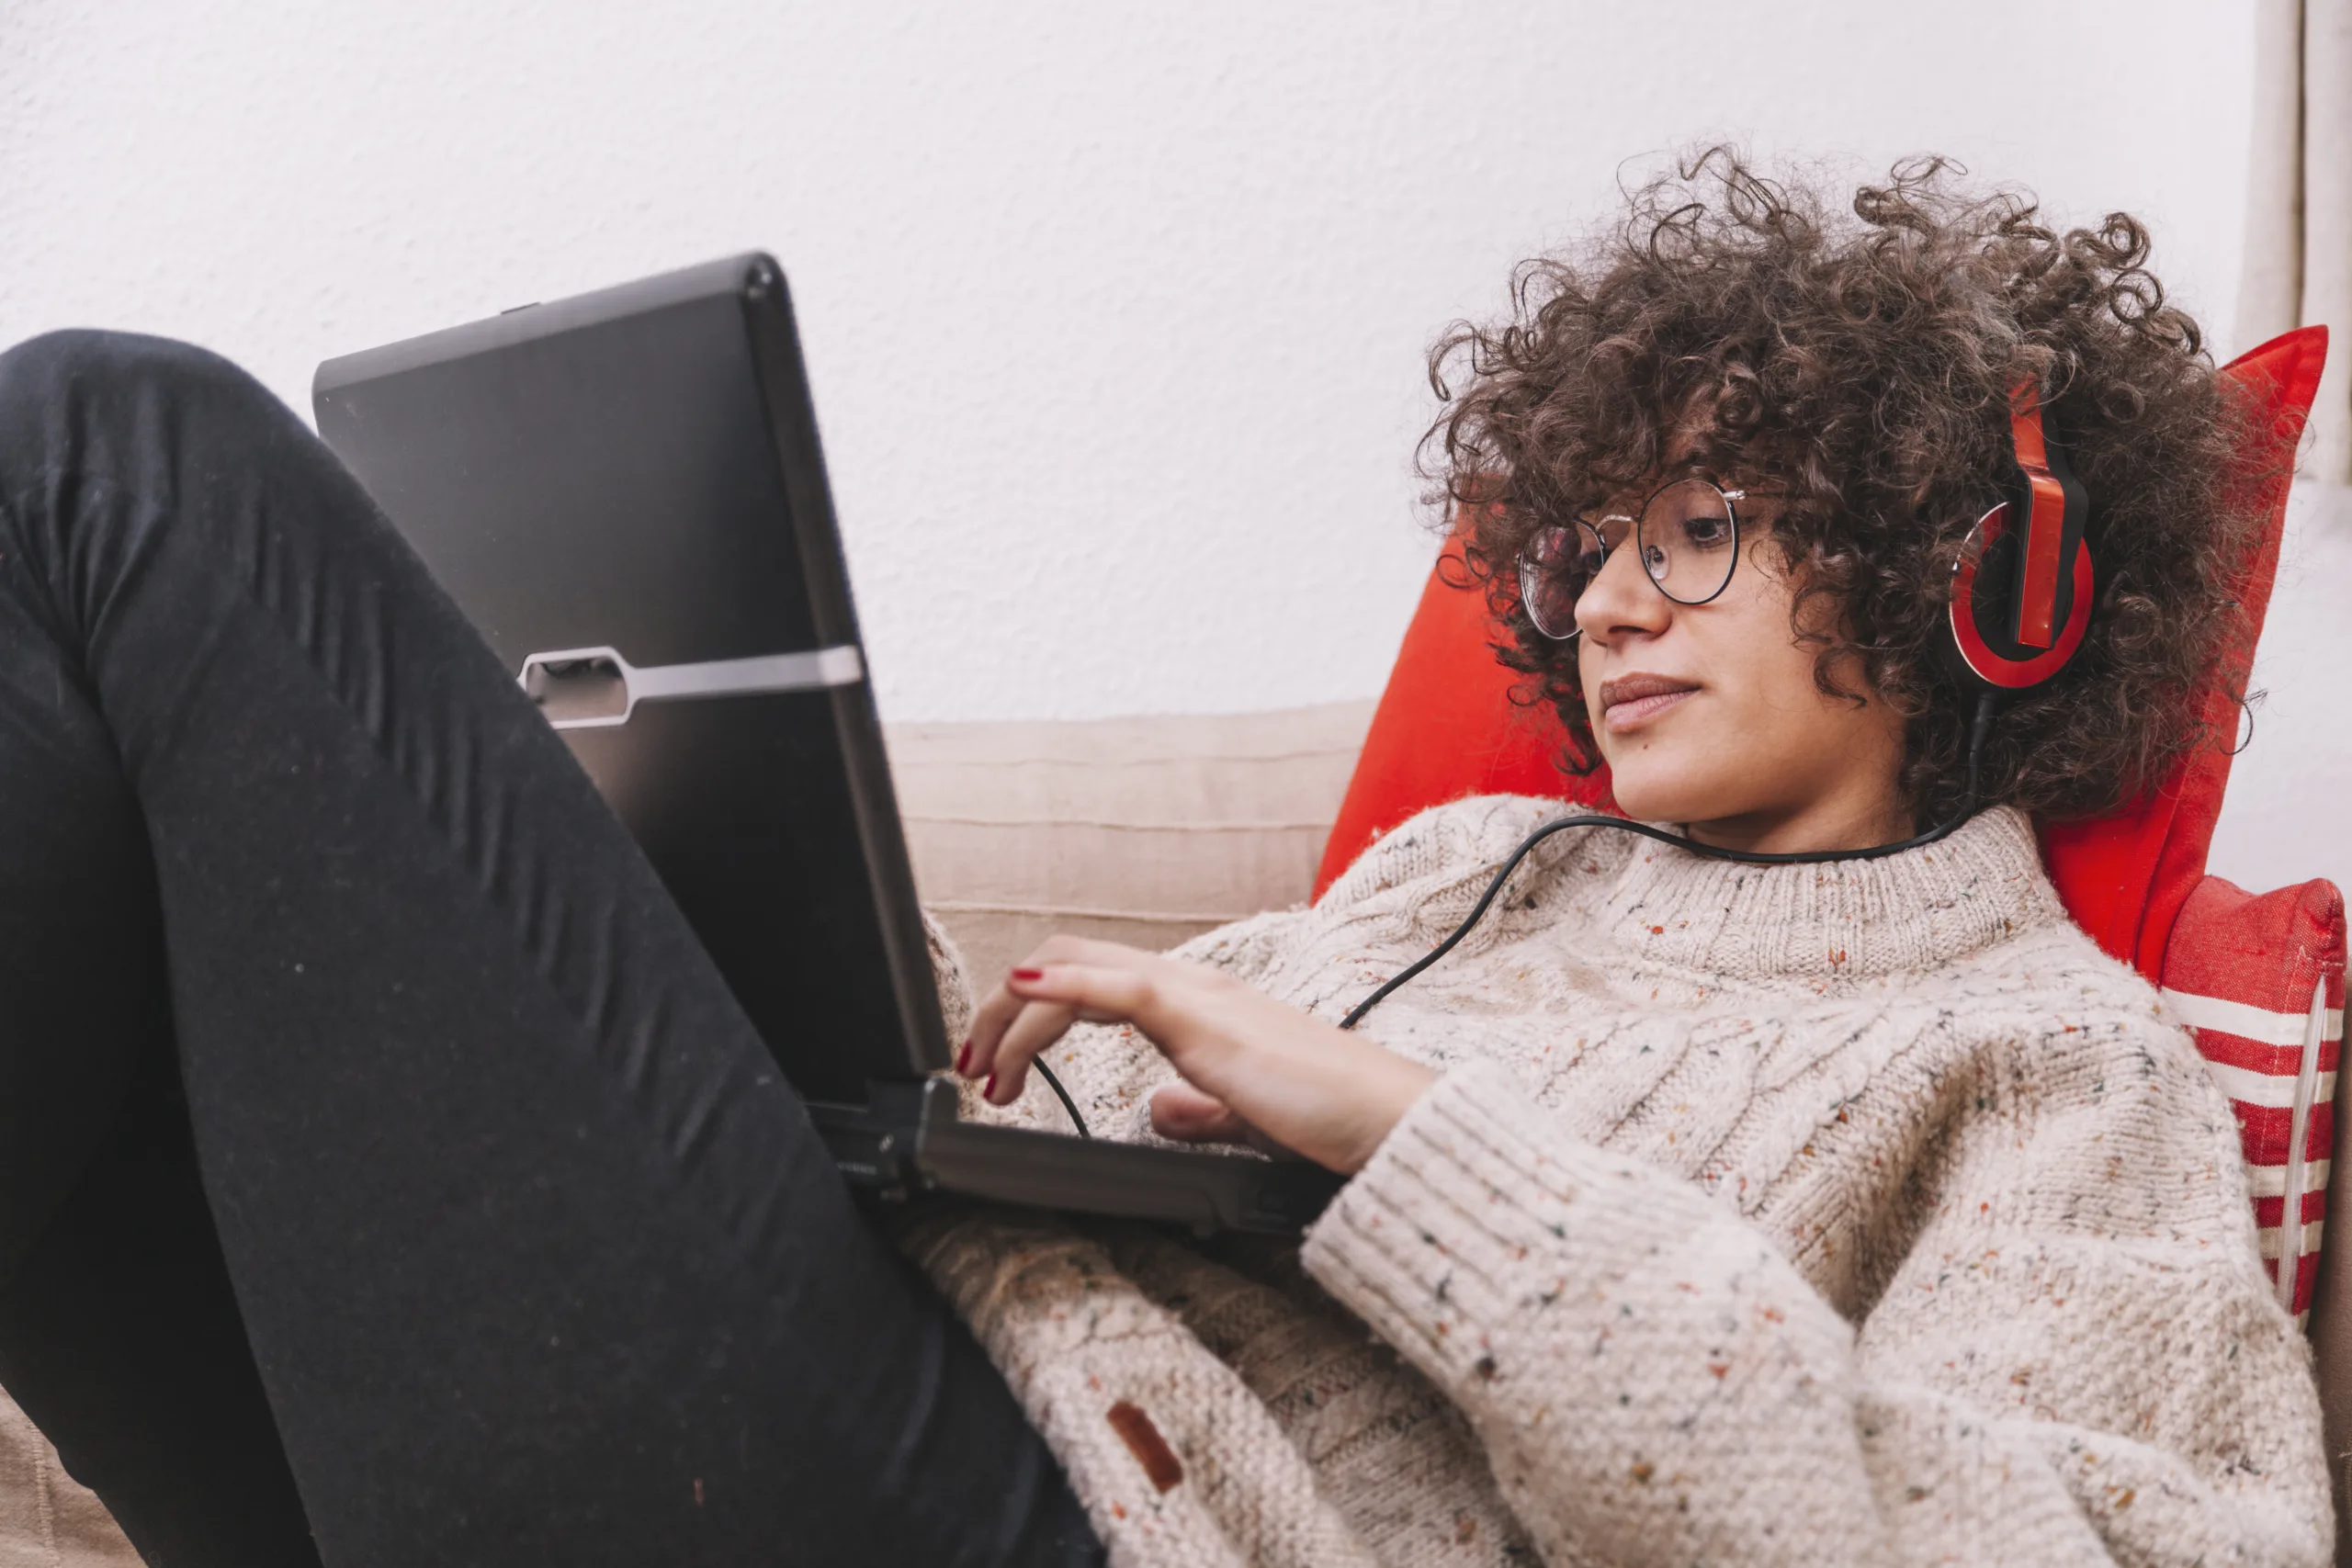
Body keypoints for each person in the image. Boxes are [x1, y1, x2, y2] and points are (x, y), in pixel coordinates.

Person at [0, 147, 2326, 1568]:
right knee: (90, 829)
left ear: (1974, 576)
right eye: (1584, 545)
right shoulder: (1467, 867)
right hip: (820, 1405)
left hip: (1039, 1523)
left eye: (1699, 530)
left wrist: (1415, 1146)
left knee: (114, 451)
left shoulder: (2045, 1060)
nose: (1603, 601)